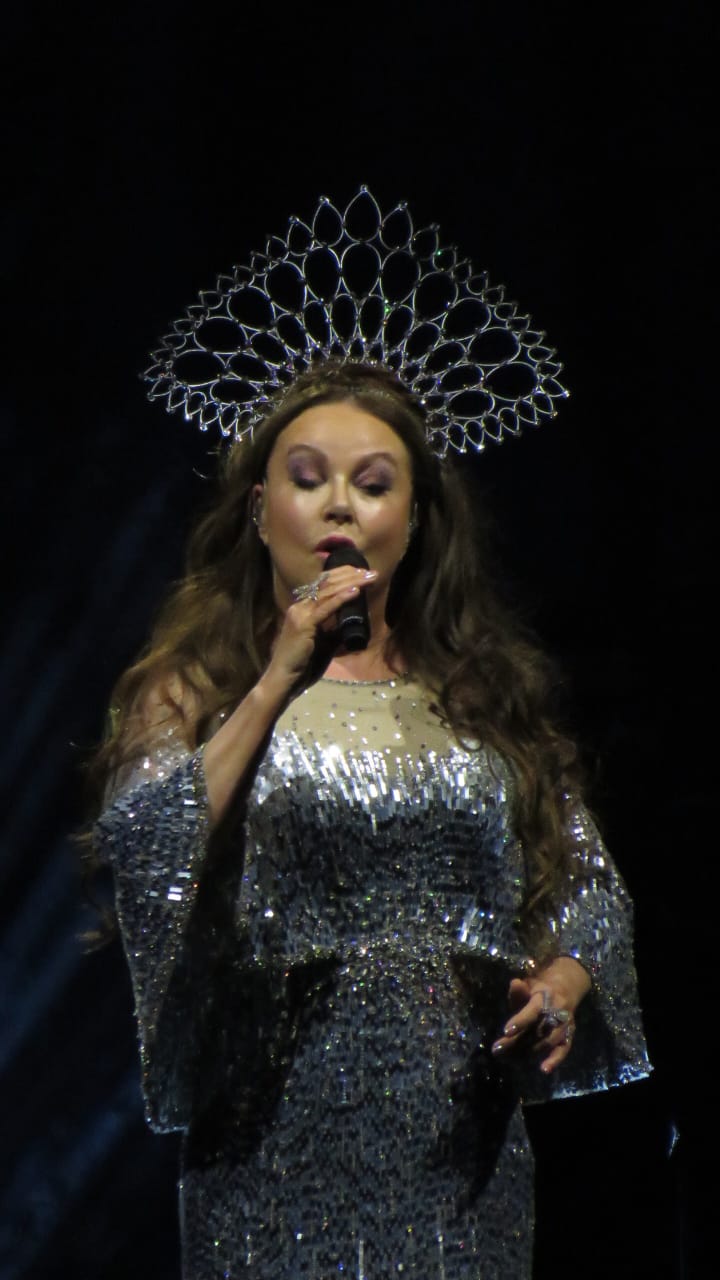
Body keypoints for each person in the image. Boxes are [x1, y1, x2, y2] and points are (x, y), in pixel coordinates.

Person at [91, 190, 651, 1279]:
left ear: (416, 518)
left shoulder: (481, 701)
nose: (339, 504)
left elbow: (590, 888)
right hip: (269, 1146)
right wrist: (276, 679)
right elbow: (150, 847)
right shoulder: (195, 688)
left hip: (460, 1159)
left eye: (373, 482)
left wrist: (562, 985)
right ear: (260, 510)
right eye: (307, 480)